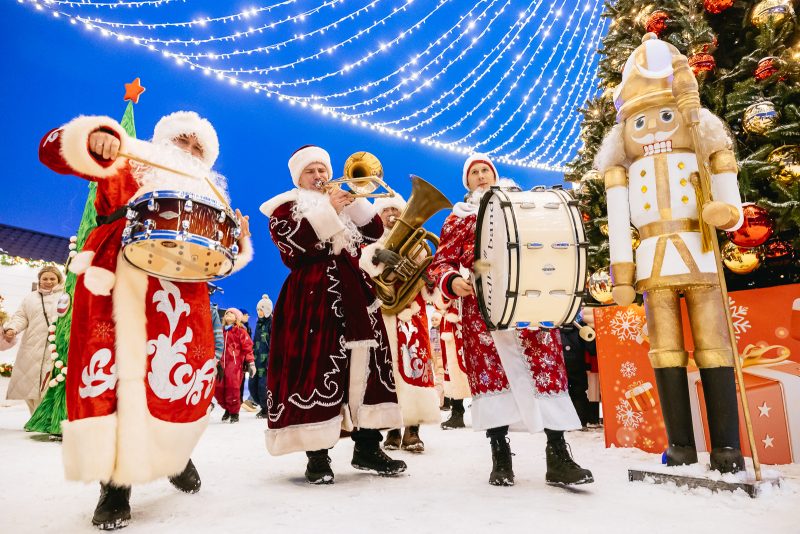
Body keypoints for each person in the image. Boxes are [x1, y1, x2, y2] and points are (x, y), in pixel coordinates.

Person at [38, 110, 252, 530]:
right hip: (117, 282)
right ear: (161, 140)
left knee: (175, 380)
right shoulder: (125, 161)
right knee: (113, 378)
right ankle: (115, 485)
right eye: (182, 142)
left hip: (181, 293)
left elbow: (220, 260)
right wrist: (95, 137)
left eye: (198, 148)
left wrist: (238, 241)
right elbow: (53, 152)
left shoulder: (208, 193)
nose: (189, 152)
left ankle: (172, 454)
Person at [595, 34, 745, 473]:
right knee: (665, 351)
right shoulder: (621, 173)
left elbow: (731, 209)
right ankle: (681, 445)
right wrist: (621, 276)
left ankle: (728, 447)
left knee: (714, 347)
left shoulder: (705, 149)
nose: (656, 129)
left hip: (701, 256)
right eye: (642, 123)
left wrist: (726, 214)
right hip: (652, 265)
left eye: (666, 116)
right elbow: (620, 227)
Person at [428, 153, 593, 487]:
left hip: (530, 304)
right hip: (482, 309)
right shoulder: (458, 219)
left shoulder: (521, 204)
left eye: (484, 170)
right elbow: (440, 261)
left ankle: (558, 454)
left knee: (546, 374)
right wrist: (451, 280)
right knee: (492, 379)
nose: (479, 175)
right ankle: (500, 456)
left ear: (494, 174)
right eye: (473, 173)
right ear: (467, 182)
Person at [259, 145, 405, 485]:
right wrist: (327, 210)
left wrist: (355, 201)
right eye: (311, 171)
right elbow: (293, 248)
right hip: (310, 296)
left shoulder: (343, 201)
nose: (320, 176)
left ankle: (368, 446)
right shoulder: (284, 208)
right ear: (298, 177)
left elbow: (371, 233)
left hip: (356, 293)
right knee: (315, 369)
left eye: (322, 170)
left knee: (368, 367)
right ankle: (317, 455)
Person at [361, 194, 442, 453]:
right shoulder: (371, 241)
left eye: (396, 209)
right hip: (384, 315)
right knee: (389, 372)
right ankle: (393, 429)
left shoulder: (416, 242)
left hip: (412, 313)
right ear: (378, 216)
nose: (392, 214)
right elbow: (363, 266)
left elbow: (426, 273)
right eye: (386, 211)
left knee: (415, 369)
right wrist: (378, 256)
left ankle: (413, 430)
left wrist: (429, 281)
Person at [2, 265, 65, 415]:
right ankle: (34, 417)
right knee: (29, 385)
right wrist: (13, 328)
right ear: (39, 280)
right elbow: (21, 316)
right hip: (31, 347)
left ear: (59, 279)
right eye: (45, 278)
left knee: (49, 385)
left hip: (55, 349)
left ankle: (46, 419)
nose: (48, 281)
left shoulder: (65, 296)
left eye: (52, 278)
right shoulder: (30, 298)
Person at [560, 312, 600, 429]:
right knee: (579, 392)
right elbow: (592, 348)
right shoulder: (580, 326)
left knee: (561, 394)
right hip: (577, 362)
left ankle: (563, 423)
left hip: (558, 363)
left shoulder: (553, 323)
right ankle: (580, 422)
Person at [216, 308, 255, 423]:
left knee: (232, 389)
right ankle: (227, 408)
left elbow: (248, 348)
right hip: (221, 365)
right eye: (227, 313)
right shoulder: (220, 331)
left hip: (235, 365)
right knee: (218, 389)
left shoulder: (240, 331)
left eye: (231, 313)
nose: (228, 314)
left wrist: (251, 362)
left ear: (237, 318)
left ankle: (234, 412)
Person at [437, 297, 471, 429]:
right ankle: (457, 411)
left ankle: (489, 412)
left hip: (473, 316)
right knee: (454, 367)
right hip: (453, 325)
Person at [252, 294, 273, 419]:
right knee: (253, 385)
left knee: (263, 385)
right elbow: (255, 342)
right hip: (257, 360)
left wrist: (270, 360)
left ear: (266, 310)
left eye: (261, 310)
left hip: (266, 362)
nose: (259, 312)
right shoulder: (259, 324)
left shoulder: (271, 323)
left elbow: (273, 343)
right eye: (258, 310)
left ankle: (266, 408)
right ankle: (262, 405)